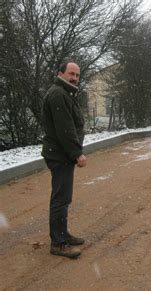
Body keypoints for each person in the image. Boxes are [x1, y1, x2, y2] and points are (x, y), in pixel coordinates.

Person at [41, 61, 87, 259]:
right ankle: (58, 243)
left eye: (77, 75)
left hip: (61, 154)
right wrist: (77, 153)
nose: (74, 78)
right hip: (60, 154)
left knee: (63, 197)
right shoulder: (59, 93)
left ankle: (63, 234)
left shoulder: (65, 92)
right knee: (60, 199)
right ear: (61, 73)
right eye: (71, 74)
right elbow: (65, 128)